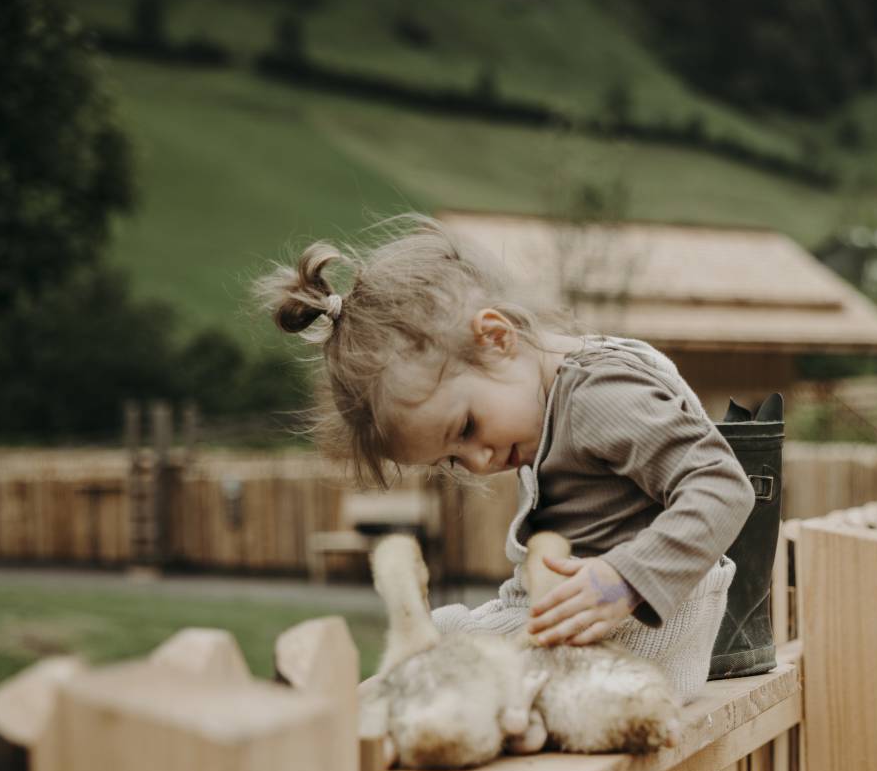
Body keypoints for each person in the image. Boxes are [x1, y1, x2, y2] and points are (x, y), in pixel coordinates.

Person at [257, 214, 753, 701]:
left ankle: (328, 717)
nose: (476, 462)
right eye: (452, 460)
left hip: (624, 644)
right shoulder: (560, 395)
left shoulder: (598, 394)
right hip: (591, 635)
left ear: (496, 337)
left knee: (418, 674)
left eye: (467, 428)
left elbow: (721, 485)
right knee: (439, 639)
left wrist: (625, 580)